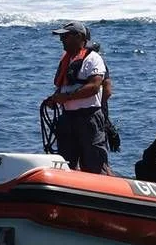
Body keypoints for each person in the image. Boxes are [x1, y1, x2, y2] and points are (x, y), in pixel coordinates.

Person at [43, 21, 110, 173]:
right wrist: (54, 100)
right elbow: (64, 87)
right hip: (67, 118)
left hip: (88, 117)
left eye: (65, 36)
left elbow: (94, 87)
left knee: (94, 162)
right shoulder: (67, 60)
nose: (61, 40)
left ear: (79, 37)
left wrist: (66, 97)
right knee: (66, 162)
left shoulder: (93, 58)